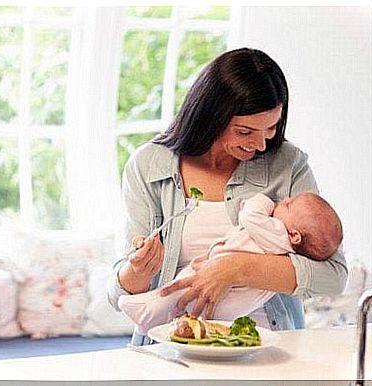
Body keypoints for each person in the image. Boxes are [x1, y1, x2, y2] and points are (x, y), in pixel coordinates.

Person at [107, 47, 348, 346]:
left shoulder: (287, 164)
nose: (261, 144)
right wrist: (138, 270)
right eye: (245, 131)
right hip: (173, 348)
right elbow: (117, 294)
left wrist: (234, 268)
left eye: (271, 128)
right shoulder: (149, 166)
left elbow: (334, 276)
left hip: (270, 349)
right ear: (210, 117)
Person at [117, 192, 343, 334]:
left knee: (177, 290)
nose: (284, 199)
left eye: (289, 205)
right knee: (188, 308)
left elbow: (249, 215)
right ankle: (161, 319)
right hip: (242, 302)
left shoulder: (277, 231)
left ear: (294, 236)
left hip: (218, 278)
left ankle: (146, 311)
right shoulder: (288, 248)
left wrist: (263, 199)